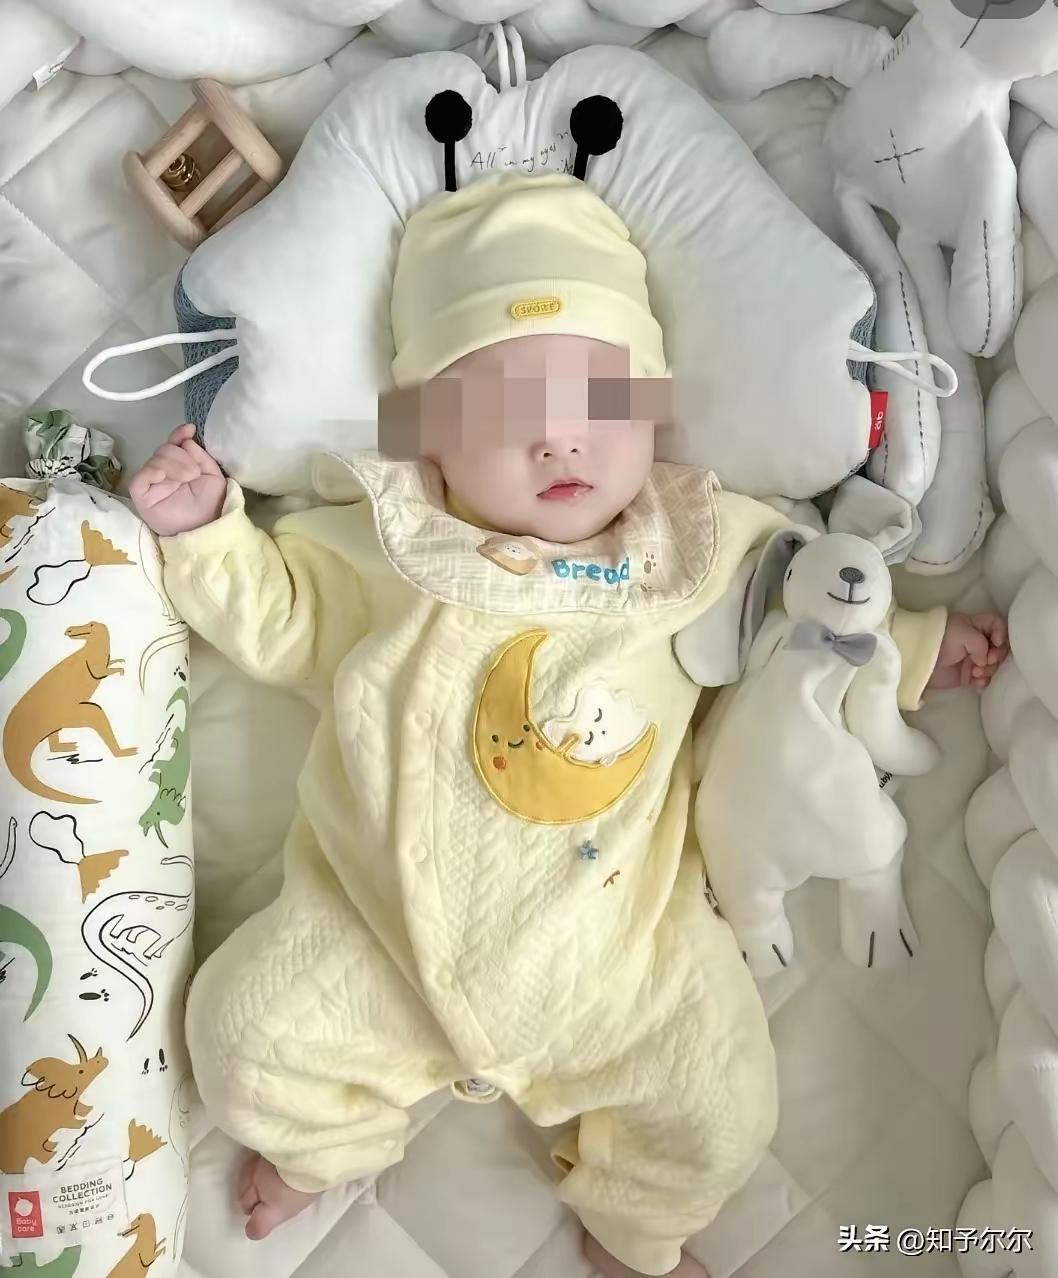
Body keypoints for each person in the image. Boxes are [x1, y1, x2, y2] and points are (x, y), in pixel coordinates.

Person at [131, 174, 1007, 1278]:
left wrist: (912, 651)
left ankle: (632, 1224)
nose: (558, 446)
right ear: (431, 438)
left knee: (722, 1105)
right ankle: (328, 1146)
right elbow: (283, 618)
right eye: (504, 419)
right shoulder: (393, 544)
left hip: (621, 951)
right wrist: (206, 533)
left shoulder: (700, 543)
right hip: (374, 938)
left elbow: (812, 612)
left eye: (600, 406)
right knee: (241, 1040)